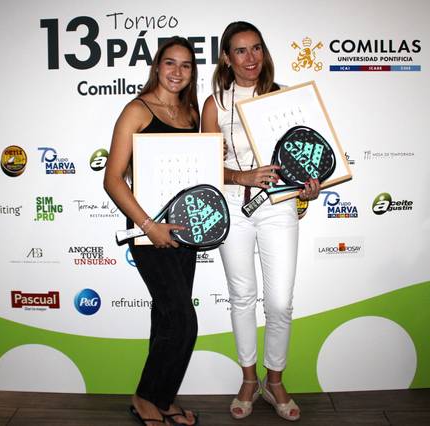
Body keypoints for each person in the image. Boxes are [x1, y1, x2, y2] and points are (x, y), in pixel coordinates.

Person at [201, 22, 320, 421]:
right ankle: (249, 379)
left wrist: (309, 183)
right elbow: (203, 164)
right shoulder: (215, 102)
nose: (250, 58)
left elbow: (300, 159)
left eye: (256, 49)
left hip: (279, 206)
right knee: (241, 296)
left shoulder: (283, 98)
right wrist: (240, 177)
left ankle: (276, 379)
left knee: (280, 301)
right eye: (240, 51)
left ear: (264, 53)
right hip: (234, 205)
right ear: (226, 58)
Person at [103, 36, 201, 426]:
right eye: (170, 63)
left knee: (166, 318)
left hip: (186, 231)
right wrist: (148, 226)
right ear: (157, 66)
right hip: (149, 231)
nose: (177, 71)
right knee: (182, 321)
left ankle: (162, 399)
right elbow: (112, 180)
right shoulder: (137, 111)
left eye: (186, 65)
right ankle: (145, 397)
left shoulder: (192, 114)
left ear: (193, 72)